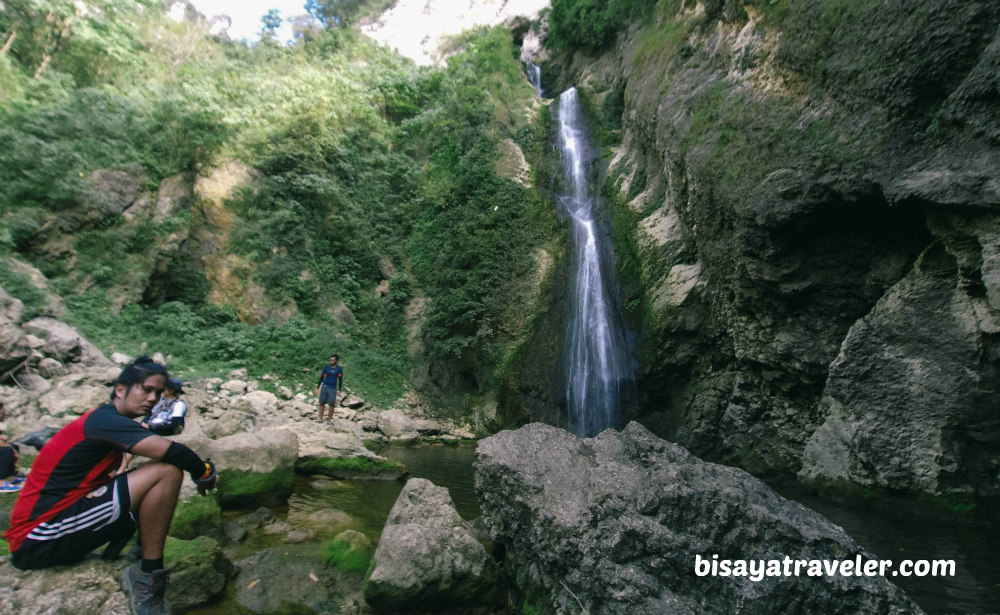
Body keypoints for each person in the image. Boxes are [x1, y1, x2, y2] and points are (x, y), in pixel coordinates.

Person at [3, 356, 219, 615]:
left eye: (158, 393)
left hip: (54, 527)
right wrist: (204, 472)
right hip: (37, 539)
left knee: (149, 475)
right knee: (166, 472)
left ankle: (139, 553)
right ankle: (148, 576)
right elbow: (176, 453)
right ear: (120, 390)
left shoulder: (109, 420)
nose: (152, 398)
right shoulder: (104, 421)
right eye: (146, 389)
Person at [315, 354, 343, 422]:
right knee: (322, 403)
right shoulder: (326, 368)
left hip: (333, 388)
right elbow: (321, 377)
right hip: (325, 387)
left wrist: (339, 389)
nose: (331, 361)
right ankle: (320, 418)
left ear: (336, 360)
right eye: (330, 360)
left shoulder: (339, 369)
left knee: (331, 404)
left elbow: (340, 380)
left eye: (332, 360)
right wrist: (318, 387)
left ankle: (329, 420)